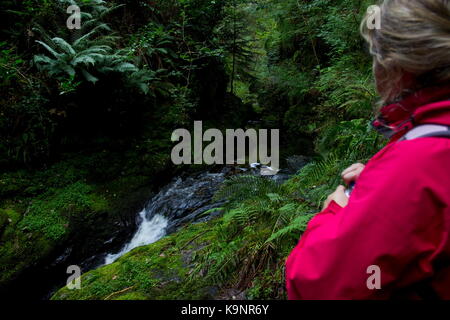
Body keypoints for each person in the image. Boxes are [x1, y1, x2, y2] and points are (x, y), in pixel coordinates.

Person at [286, 0, 450, 299]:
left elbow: (314, 286)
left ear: (397, 64)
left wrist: (334, 210)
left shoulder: (417, 163)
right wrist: (381, 181)